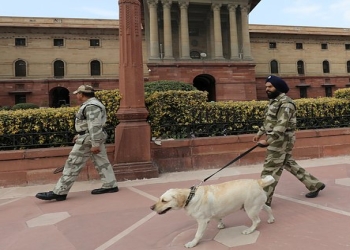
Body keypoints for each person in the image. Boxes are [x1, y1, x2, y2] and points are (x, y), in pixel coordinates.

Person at [36, 85, 118, 201]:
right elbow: (89, 124)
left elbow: (94, 126)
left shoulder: (91, 106)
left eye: (78, 94)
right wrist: (81, 134)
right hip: (90, 137)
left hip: (89, 139)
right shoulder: (92, 104)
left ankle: (59, 192)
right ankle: (110, 185)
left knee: (72, 163)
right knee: (101, 161)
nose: (77, 95)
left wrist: (94, 144)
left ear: (82, 94)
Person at [253, 75, 325, 206]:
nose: (267, 89)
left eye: (270, 86)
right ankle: (315, 184)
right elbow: (270, 121)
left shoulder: (286, 103)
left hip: (282, 139)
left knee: (270, 169)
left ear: (278, 87)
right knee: (288, 163)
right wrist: (260, 133)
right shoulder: (274, 101)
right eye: (266, 87)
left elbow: (282, 125)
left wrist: (267, 141)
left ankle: (264, 200)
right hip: (278, 139)